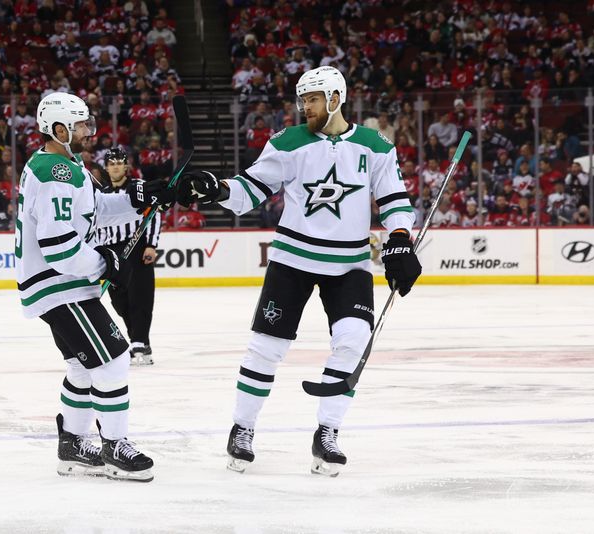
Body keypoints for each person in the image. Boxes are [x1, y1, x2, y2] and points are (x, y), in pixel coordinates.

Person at [175, 67, 421, 476]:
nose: (304, 106)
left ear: (336, 98)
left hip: (349, 264)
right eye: (302, 99)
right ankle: (243, 427)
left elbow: (395, 198)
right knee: (266, 348)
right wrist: (217, 188)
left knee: (353, 340)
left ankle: (327, 433)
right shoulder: (287, 142)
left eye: (312, 98)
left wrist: (399, 238)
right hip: (292, 259)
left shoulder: (375, 145)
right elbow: (251, 189)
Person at [15, 93, 173, 482]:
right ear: (59, 129)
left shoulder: (66, 165)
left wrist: (142, 195)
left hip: (59, 284)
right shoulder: (58, 173)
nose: (90, 130)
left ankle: (72, 444)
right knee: (115, 358)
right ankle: (115, 446)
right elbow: (58, 246)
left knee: (82, 365)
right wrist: (104, 263)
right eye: (81, 124)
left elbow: (96, 209)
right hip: (60, 284)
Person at [94, 148, 161, 366]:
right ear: (106, 167)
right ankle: (138, 339)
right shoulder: (100, 193)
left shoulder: (137, 188)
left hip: (136, 247)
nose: (115, 166)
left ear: (126, 166)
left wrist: (151, 244)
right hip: (111, 251)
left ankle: (139, 340)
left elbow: (154, 212)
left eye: (119, 162)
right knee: (119, 301)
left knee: (139, 297)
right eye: (111, 163)